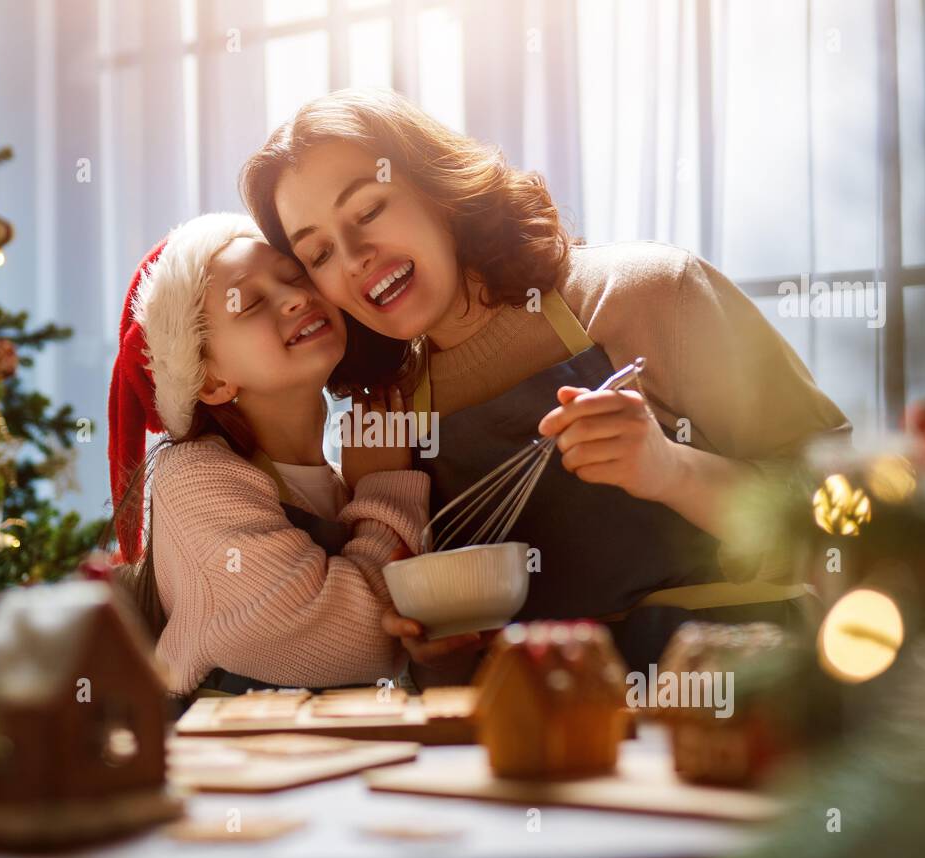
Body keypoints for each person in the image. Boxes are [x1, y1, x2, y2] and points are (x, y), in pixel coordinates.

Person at [241, 89, 851, 680]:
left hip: (734, 704)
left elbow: (843, 510)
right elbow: (442, 662)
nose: (352, 257)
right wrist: (437, 651)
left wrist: (673, 470)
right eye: (318, 254)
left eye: (369, 210)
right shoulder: (388, 419)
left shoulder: (647, 293)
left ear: (439, 188)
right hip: (539, 735)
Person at [106, 212, 428, 698]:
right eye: (251, 302)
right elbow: (355, 641)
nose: (297, 296)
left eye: (296, 276)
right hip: (229, 766)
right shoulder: (193, 476)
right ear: (210, 380)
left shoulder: (345, 482)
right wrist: (386, 488)